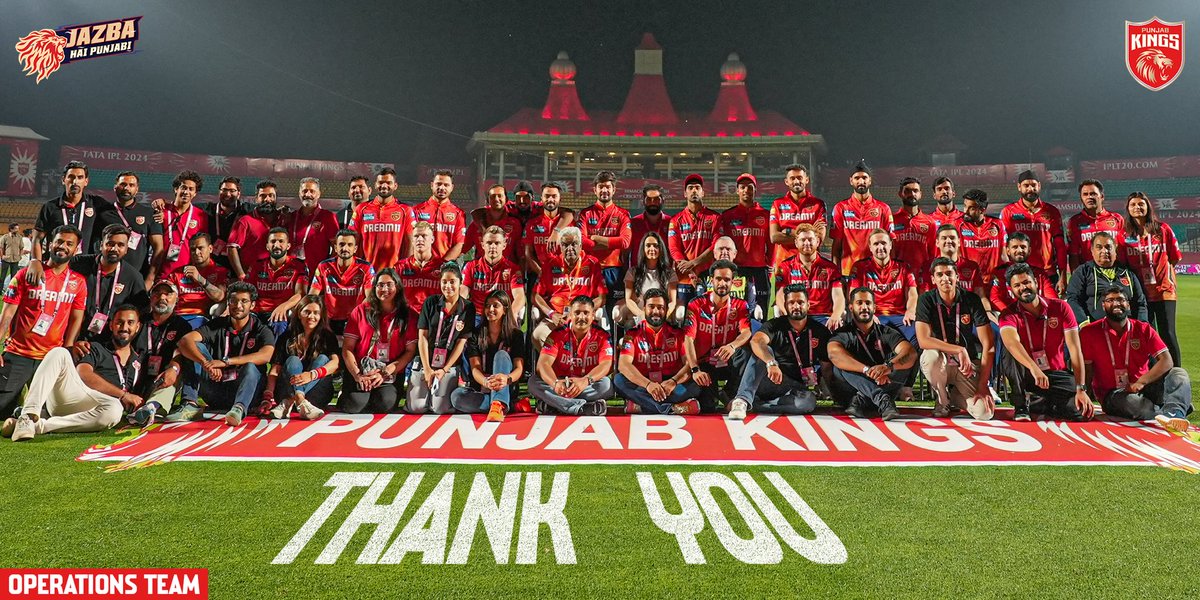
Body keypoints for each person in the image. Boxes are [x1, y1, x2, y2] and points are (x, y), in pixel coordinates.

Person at [3, 305, 143, 441]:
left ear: (137, 327)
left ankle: (37, 426)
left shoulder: (138, 361)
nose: (124, 327)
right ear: (111, 325)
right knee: (59, 352)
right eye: (119, 322)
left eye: (130, 323)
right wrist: (123, 395)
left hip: (98, 411)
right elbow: (84, 374)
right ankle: (28, 415)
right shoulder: (97, 348)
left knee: (114, 410)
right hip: (75, 397)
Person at [0, 225, 88, 417]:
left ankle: (21, 411)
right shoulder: (25, 274)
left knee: (52, 411)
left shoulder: (78, 282)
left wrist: (69, 348)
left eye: (69, 244)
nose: (62, 246)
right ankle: (15, 409)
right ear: (49, 244)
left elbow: (76, 318)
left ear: (76, 249)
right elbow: (7, 314)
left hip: (50, 358)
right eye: (59, 241)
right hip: (18, 352)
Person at [1080, 287, 1191, 432]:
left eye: (1121, 299)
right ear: (1103, 305)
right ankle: (1169, 409)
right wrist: (1083, 394)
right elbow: (1087, 369)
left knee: (1178, 373)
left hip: (1144, 386)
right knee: (1134, 404)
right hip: (1113, 394)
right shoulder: (1089, 332)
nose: (1116, 303)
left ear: (1128, 304)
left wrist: (1141, 382)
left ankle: (1174, 414)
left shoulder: (1143, 329)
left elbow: (1166, 360)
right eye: (1110, 300)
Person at [997, 263, 1093, 422]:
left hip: (1055, 375)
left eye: (1026, 282)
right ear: (1012, 290)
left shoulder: (1061, 307)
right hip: (1028, 373)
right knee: (1010, 351)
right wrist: (1034, 368)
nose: (1023, 288)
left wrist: (1081, 388)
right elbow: (1011, 342)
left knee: (1080, 412)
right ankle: (1021, 405)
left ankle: (1043, 403)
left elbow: (1075, 350)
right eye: (1017, 285)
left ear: (1035, 282)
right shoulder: (1008, 314)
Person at [171, 281, 276, 426]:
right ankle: (190, 405)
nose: (238, 305)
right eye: (234, 301)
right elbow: (184, 341)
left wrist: (226, 362)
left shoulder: (261, 329)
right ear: (228, 303)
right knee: (195, 349)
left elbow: (266, 355)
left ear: (252, 305)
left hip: (245, 391)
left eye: (244, 301)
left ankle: (238, 409)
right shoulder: (218, 324)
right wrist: (205, 363)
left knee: (251, 366)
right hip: (217, 387)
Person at [729, 284, 833, 418]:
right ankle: (742, 400)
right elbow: (756, 341)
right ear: (785, 305)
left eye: (800, 302)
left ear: (808, 305)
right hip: (768, 378)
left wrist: (832, 391)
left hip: (794, 387)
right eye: (791, 303)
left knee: (808, 402)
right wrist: (770, 362)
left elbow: (826, 367)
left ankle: (754, 405)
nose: (796, 306)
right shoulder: (774, 325)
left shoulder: (820, 331)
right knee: (765, 349)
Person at [915, 258, 996, 419]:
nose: (945, 278)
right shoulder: (926, 299)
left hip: (966, 365)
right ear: (933, 279)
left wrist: (982, 385)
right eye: (940, 275)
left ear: (957, 276)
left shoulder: (971, 299)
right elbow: (923, 340)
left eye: (949, 273)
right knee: (930, 356)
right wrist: (959, 349)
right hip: (941, 362)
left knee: (984, 413)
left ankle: (955, 397)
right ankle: (942, 400)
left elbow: (989, 345)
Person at [827, 288, 917, 420]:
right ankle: (880, 399)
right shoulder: (843, 333)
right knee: (840, 366)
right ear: (851, 307)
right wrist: (867, 371)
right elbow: (833, 354)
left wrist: (888, 367)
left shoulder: (886, 331)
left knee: (904, 362)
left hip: (883, 382)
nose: (864, 307)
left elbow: (910, 353)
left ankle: (862, 400)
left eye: (868, 303)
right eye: (859, 303)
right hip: (855, 387)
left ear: (874, 308)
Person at [340, 269, 416, 413]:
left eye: (389, 285)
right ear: (374, 288)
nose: (384, 289)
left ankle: (373, 394)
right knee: (354, 404)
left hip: (389, 372)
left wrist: (385, 372)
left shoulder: (409, 314)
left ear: (397, 287)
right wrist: (358, 375)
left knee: (385, 404)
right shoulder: (361, 311)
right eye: (380, 285)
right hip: (362, 369)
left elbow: (410, 351)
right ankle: (354, 393)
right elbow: (347, 348)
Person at [615, 288, 701, 416]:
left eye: (660, 307)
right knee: (618, 380)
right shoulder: (632, 334)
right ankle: (671, 408)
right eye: (651, 307)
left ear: (666, 310)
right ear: (644, 308)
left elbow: (689, 364)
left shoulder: (678, 333)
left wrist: (673, 381)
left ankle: (643, 405)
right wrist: (648, 385)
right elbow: (623, 365)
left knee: (696, 384)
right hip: (644, 383)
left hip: (671, 384)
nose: (656, 311)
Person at [684, 260, 753, 415]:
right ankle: (714, 395)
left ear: (733, 282)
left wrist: (732, 346)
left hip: (727, 359)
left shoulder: (740, 305)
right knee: (708, 407)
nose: (723, 283)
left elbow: (746, 332)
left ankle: (729, 393)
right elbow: (688, 339)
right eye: (719, 279)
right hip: (705, 363)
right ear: (711, 280)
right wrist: (695, 369)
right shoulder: (696, 304)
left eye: (727, 280)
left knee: (746, 355)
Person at [1120, 192, 1181, 366]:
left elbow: (1174, 258)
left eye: (1141, 204)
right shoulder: (1124, 235)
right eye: (1133, 205)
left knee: (1168, 333)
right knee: (1147, 335)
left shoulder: (1163, 230)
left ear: (1148, 207)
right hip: (1141, 294)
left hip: (1164, 291)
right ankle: (1155, 375)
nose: (1137, 208)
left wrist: (1163, 274)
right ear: (1128, 209)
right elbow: (1123, 265)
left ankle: (1177, 375)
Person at [529, 295, 614, 416]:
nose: (581, 317)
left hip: (586, 384)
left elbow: (606, 365)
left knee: (606, 385)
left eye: (586, 313)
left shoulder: (602, 336)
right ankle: (581, 407)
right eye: (577, 313)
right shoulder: (557, 334)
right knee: (533, 382)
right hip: (561, 383)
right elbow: (543, 364)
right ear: (570, 315)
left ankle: (554, 404)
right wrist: (555, 384)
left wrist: (585, 381)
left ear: (593, 315)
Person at [408, 263, 474, 414]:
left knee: (440, 408)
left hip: (448, 365)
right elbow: (422, 337)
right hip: (426, 362)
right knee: (416, 407)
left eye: (452, 282)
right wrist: (427, 368)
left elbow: (461, 342)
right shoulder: (430, 303)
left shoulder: (467, 307)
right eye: (444, 282)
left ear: (460, 282)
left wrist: (444, 369)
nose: (448, 286)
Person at [450, 289, 526, 422]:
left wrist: (506, 378)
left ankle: (498, 404)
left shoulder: (516, 335)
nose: (490, 309)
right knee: (456, 397)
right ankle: (507, 404)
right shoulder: (475, 334)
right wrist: (486, 382)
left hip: (506, 385)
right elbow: (475, 368)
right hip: (483, 386)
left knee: (501, 354)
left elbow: (519, 368)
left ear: (505, 309)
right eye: (487, 305)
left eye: (495, 306)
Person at [125, 280, 193, 427]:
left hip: (162, 378)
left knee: (172, 375)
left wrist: (174, 368)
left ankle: (152, 407)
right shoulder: (139, 321)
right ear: (151, 298)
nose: (162, 298)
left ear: (177, 298)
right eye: (157, 293)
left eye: (168, 294)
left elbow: (181, 353)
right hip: (136, 376)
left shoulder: (182, 326)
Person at [30, 161, 108, 284]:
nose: (75, 181)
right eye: (71, 177)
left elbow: (120, 211)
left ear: (86, 181)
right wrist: (35, 261)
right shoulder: (50, 207)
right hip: (56, 263)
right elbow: (37, 238)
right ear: (63, 180)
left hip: (85, 267)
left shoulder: (97, 204)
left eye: (80, 177)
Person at [263, 295, 339, 420]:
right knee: (293, 360)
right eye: (307, 312)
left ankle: (291, 400)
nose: (311, 317)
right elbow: (275, 369)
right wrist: (267, 397)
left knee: (323, 359)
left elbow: (335, 363)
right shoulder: (287, 335)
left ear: (321, 316)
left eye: (316, 313)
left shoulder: (327, 336)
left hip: (316, 395)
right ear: (299, 314)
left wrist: (311, 375)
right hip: (286, 390)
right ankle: (300, 399)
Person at [69, 224, 148, 342]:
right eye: (110, 243)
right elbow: (55, 267)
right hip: (75, 335)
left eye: (120, 245)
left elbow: (140, 314)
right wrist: (35, 262)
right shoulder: (78, 264)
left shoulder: (134, 277)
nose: (114, 249)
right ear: (101, 245)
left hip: (110, 342)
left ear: (126, 249)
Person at [531, 227, 606, 347]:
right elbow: (535, 296)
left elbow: (602, 298)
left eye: (574, 244)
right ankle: (556, 364)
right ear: (560, 247)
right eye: (565, 245)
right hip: (556, 318)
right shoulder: (550, 264)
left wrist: (582, 311)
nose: (570, 248)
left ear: (581, 245)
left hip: (582, 317)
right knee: (538, 334)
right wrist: (551, 314)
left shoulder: (592, 263)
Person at [579, 171, 632, 331]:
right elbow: (583, 243)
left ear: (614, 189)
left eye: (608, 187)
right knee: (591, 316)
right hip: (591, 271)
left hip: (614, 272)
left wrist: (597, 238)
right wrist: (612, 243)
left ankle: (618, 353)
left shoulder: (623, 214)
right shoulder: (585, 214)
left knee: (616, 315)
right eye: (601, 187)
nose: (604, 190)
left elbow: (625, 242)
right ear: (594, 190)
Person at [1001, 170, 1067, 293]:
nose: (1030, 189)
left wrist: (1063, 276)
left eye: (1033, 185)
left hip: (1047, 272)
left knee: (1050, 310)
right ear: (1019, 187)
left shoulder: (1052, 211)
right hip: (1019, 273)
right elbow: (1004, 245)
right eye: (1026, 185)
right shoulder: (1008, 212)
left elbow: (1060, 245)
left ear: (1039, 186)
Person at [96, 171, 164, 285]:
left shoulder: (149, 213)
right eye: (123, 184)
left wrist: (150, 279)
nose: (127, 188)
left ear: (137, 189)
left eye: (131, 185)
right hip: (106, 276)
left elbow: (159, 248)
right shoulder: (102, 213)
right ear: (115, 187)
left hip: (138, 277)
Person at [719, 173, 772, 317]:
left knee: (761, 314)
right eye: (742, 187)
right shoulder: (727, 216)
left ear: (755, 190)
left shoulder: (766, 215)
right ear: (737, 190)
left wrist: (770, 266)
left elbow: (771, 244)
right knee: (735, 313)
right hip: (737, 270)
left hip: (760, 270)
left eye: (750, 187)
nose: (746, 190)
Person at [1064, 232, 1147, 324]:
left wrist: (1142, 324)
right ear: (1092, 250)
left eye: (1108, 247)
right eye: (1099, 247)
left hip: (1126, 328)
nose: (1104, 251)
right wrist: (1083, 323)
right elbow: (1073, 299)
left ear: (1115, 249)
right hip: (1095, 328)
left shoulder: (1128, 273)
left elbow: (1140, 303)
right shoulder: (1083, 271)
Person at [849, 229, 918, 339]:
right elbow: (853, 295)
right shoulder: (859, 267)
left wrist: (910, 311)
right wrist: (868, 315)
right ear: (870, 247)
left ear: (890, 245)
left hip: (900, 317)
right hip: (874, 316)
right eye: (876, 244)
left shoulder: (904, 267)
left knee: (917, 335)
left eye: (884, 243)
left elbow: (912, 294)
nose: (880, 247)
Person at [668, 173, 721, 312]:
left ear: (703, 192)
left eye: (697, 187)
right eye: (690, 188)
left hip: (708, 277)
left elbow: (716, 246)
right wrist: (690, 270)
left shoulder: (715, 218)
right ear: (685, 193)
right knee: (682, 317)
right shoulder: (676, 220)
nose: (694, 191)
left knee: (707, 315)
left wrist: (694, 262)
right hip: (684, 278)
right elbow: (674, 249)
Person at [774, 224, 845, 327]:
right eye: (803, 240)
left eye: (810, 239)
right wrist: (787, 315)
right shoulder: (785, 266)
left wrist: (835, 315)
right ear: (796, 243)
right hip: (796, 316)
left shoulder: (831, 268)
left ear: (818, 242)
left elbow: (839, 297)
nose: (807, 243)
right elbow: (780, 296)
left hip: (823, 318)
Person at [831, 160, 894, 276]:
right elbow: (837, 246)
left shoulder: (883, 209)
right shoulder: (840, 208)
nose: (861, 181)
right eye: (857, 178)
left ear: (870, 180)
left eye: (864, 178)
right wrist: (835, 274)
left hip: (876, 272)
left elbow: (890, 244)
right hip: (848, 272)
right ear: (851, 181)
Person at [246, 227, 310, 337]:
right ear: (267, 246)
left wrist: (283, 307)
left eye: (281, 241)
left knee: (279, 325)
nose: (276, 245)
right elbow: (246, 290)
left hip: (281, 312)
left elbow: (301, 294)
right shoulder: (257, 265)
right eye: (273, 241)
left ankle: (274, 354)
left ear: (288, 246)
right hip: (257, 311)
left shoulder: (298, 266)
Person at [309, 229, 375, 335]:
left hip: (355, 318)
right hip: (329, 319)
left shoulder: (366, 267)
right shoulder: (324, 266)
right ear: (335, 247)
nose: (345, 248)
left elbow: (370, 297)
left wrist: (356, 318)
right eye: (341, 244)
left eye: (349, 245)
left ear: (355, 249)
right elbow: (312, 295)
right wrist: (319, 316)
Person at [355, 168, 415, 273]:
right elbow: (354, 240)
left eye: (388, 183)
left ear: (395, 186)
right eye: (381, 182)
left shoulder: (405, 210)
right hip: (367, 272)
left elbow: (410, 243)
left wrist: (403, 268)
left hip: (394, 273)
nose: (384, 186)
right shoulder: (362, 209)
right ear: (375, 185)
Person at [165, 233, 230, 329]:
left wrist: (200, 279)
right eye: (192, 249)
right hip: (176, 317)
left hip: (201, 318)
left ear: (210, 249)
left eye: (200, 248)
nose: (196, 252)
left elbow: (219, 296)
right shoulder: (178, 272)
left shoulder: (220, 271)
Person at [769, 164, 828, 269]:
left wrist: (787, 232)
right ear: (786, 182)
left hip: (811, 265)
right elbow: (774, 237)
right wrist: (809, 234)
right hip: (784, 265)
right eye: (792, 178)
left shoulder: (818, 204)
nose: (796, 181)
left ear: (806, 180)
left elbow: (820, 238)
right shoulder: (778, 204)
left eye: (800, 178)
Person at [461, 226, 525, 321]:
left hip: (503, 316)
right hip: (477, 315)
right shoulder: (471, 267)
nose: (493, 247)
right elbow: (462, 292)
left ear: (504, 245)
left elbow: (520, 297)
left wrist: (512, 314)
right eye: (489, 243)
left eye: (497, 243)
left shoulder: (513, 269)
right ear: (482, 245)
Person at [228, 180, 288, 280]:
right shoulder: (245, 221)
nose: (267, 199)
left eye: (271, 195)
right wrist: (241, 275)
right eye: (263, 196)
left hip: (280, 279)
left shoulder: (284, 219)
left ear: (276, 198)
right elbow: (231, 248)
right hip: (253, 278)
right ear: (256, 199)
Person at [155, 170, 208, 278]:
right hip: (159, 272)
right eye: (183, 187)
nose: (186, 192)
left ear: (195, 193)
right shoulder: (162, 210)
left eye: (191, 189)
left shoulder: (201, 216)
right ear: (176, 189)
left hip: (186, 276)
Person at [987, 233, 1057, 314]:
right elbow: (995, 299)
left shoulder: (1040, 273)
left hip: (1036, 315)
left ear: (1029, 250)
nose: (1019, 251)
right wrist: (1010, 314)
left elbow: (1052, 299)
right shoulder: (999, 273)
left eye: (1023, 247)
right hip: (1009, 316)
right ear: (1008, 251)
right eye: (1015, 247)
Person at [619, 232, 678, 327]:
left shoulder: (670, 273)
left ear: (661, 249)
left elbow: (672, 302)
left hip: (661, 315)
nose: (652, 249)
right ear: (643, 249)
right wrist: (642, 315)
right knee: (630, 325)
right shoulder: (633, 272)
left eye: (655, 246)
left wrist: (662, 317)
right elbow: (629, 300)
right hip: (641, 315)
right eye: (648, 246)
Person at [1067, 179, 1125, 272]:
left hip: (1115, 273)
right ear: (1081, 198)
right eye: (1085, 194)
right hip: (1089, 275)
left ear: (1102, 196)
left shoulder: (1117, 219)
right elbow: (1073, 255)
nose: (1089, 197)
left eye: (1093, 194)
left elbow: (1123, 250)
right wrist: (1077, 278)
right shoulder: (1074, 222)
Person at [288, 177, 340, 275]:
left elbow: (336, 247)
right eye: (304, 191)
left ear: (319, 194)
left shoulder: (328, 217)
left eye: (312, 191)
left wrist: (327, 269)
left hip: (316, 276)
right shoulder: (291, 217)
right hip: (291, 274)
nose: (308, 194)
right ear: (299, 193)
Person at [413, 170, 466, 261]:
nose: (442, 187)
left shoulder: (458, 214)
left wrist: (442, 264)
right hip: (420, 266)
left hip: (445, 268)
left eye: (446, 185)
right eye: (438, 184)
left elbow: (459, 244)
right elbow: (410, 240)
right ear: (432, 185)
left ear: (452, 187)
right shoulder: (416, 210)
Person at [919, 224, 985, 295]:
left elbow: (981, 297)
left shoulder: (972, 267)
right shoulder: (928, 267)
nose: (948, 241)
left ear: (959, 242)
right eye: (944, 238)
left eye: (952, 238)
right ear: (937, 243)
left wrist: (986, 306)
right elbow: (924, 297)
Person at [465, 185, 523, 264]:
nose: (496, 199)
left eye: (500, 196)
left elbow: (520, 253)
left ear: (506, 199)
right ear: (488, 200)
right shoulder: (477, 222)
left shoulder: (514, 223)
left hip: (506, 272)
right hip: (482, 272)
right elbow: (463, 247)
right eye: (492, 196)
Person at [395, 222, 443, 313]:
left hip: (433, 318)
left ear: (432, 239)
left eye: (424, 236)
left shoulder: (443, 267)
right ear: (412, 240)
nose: (420, 239)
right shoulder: (400, 267)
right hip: (407, 318)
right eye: (416, 236)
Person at [891, 177, 936, 272]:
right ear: (900, 194)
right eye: (907, 191)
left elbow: (933, 253)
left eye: (915, 191)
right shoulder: (891, 220)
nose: (912, 194)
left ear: (920, 194)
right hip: (899, 275)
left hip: (923, 276)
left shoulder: (930, 222)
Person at [958, 189, 1006, 277]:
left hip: (992, 280)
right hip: (969, 279)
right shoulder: (958, 225)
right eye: (965, 206)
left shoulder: (997, 224)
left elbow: (1003, 255)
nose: (966, 211)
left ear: (982, 210)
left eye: (971, 208)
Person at [205, 176, 251, 265]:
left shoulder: (246, 211)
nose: (228, 194)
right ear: (219, 192)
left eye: (232, 191)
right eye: (224, 190)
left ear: (238, 194)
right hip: (213, 264)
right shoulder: (209, 211)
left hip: (239, 263)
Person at [628, 183, 671, 266]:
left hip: (665, 273)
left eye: (656, 199)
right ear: (643, 202)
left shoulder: (672, 223)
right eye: (649, 199)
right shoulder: (633, 222)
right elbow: (626, 252)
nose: (653, 203)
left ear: (663, 200)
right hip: (639, 273)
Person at [0, 223, 25, 289]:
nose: (18, 230)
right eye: (16, 228)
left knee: (14, 277)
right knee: (2, 276)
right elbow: (1, 248)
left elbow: (21, 248)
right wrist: (2, 256)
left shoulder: (20, 237)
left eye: (18, 228)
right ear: (11, 229)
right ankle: (0, 291)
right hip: (6, 259)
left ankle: (11, 291)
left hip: (15, 259)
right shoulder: (5, 237)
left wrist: (20, 256)